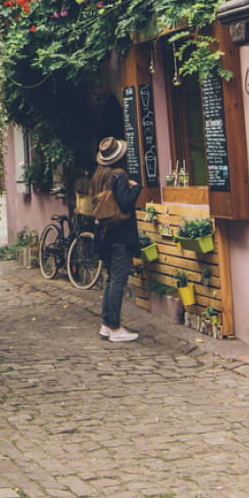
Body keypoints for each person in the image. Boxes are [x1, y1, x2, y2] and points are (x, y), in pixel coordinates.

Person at [93, 136, 142, 343]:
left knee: (111, 279)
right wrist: (136, 188)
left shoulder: (99, 175)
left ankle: (106, 324)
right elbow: (125, 205)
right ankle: (115, 327)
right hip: (121, 234)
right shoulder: (118, 175)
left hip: (105, 234)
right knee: (118, 281)